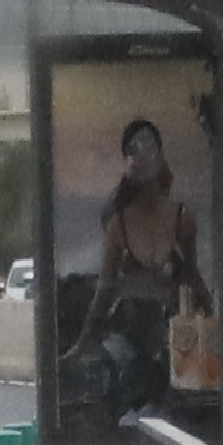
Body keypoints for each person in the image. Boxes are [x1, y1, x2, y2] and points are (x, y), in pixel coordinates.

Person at [76, 112, 203, 425]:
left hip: (171, 339)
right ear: (125, 162)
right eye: (133, 148)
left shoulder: (182, 217)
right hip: (129, 336)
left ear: (161, 157)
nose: (142, 154)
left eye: (149, 145)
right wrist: (84, 342)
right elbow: (105, 290)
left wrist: (213, 324)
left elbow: (193, 276)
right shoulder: (118, 224)